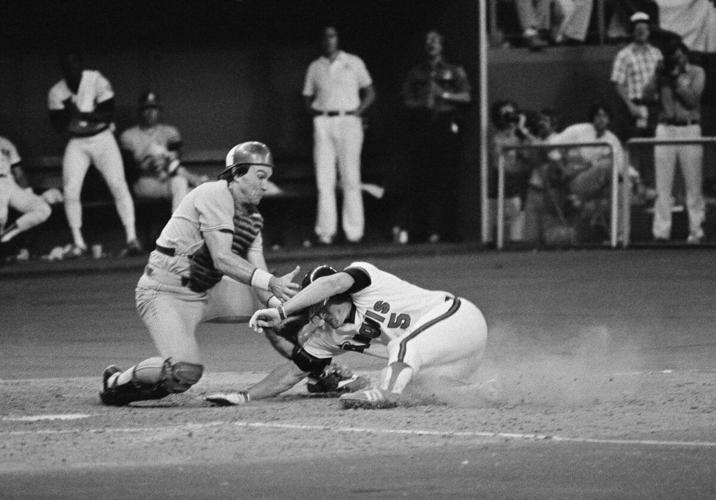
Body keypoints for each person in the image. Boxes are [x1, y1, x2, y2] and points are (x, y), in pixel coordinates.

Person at [99, 141, 301, 406]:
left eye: (268, 178)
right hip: (165, 293)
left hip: (208, 292)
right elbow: (222, 258)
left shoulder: (252, 217)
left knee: (287, 311)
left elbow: (259, 272)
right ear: (238, 173)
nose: (264, 185)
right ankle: (116, 382)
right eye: (260, 176)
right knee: (183, 373)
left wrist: (277, 306)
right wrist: (271, 282)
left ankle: (320, 370)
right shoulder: (214, 193)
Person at [248, 262, 489, 409]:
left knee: (401, 346)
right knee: (416, 385)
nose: (321, 317)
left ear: (337, 295)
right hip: (456, 361)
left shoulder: (365, 279)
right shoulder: (330, 336)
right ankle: (481, 391)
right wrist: (243, 397)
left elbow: (331, 283)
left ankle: (385, 395)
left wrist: (282, 311)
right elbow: (292, 373)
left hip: (460, 320)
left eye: (322, 308)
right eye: (316, 312)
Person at [48, 51, 141, 258]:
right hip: (77, 143)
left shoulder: (96, 80)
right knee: (71, 189)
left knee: (118, 183)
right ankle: (78, 242)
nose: (71, 69)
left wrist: (81, 115)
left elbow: (108, 115)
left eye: (74, 64)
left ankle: (132, 238)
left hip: (102, 138)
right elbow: (63, 128)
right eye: (66, 66)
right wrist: (88, 118)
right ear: (63, 69)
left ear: (80, 65)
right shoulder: (56, 92)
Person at [302, 26, 376, 245]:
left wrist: (359, 111)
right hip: (324, 121)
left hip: (349, 120)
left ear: (339, 38)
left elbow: (370, 90)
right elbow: (306, 96)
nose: (329, 40)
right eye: (325, 36)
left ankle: (354, 232)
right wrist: (315, 111)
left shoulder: (353, 62)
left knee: (350, 177)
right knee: (324, 179)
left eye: (332, 35)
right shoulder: (315, 66)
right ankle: (326, 233)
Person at [399, 30, 472, 244]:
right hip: (422, 127)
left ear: (442, 45)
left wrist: (444, 95)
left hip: (445, 125)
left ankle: (449, 231)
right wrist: (422, 103)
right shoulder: (416, 73)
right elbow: (406, 100)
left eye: (435, 41)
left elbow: (466, 96)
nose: (431, 44)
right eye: (427, 40)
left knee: (447, 181)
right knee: (421, 181)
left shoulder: (453, 71)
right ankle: (420, 232)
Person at [644, 40, 706, 243]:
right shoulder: (662, 74)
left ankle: (696, 230)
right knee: (662, 184)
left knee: (693, 182)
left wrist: (677, 79)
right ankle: (661, 232)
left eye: (679, 56)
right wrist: (657, 76)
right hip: (665, 128)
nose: (677, 61)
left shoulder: (696, 72)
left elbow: (692, 100)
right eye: (673, 58)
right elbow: (646, 96)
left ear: (685, 55)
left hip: (689, 127)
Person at [120, 92, 207, 213]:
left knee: (180, 182)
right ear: (140, 111)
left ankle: (177, 228)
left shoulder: (169, 131)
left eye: (154, 108)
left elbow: (176, 157)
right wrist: (146, 165)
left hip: (168, 176)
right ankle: (193, 179)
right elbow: (129, 170)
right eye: (146, 109)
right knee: (195, 192)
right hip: (145, 181)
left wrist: (162, 162)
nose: (150, 113)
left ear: (159, 111)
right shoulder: (128, 135)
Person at [610, 12, 663, 139]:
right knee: (635, 148)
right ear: (633, 31)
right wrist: (630, 106)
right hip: (633, 109)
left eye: (644, 28)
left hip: (654, 109)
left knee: (655, 148)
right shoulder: (624, 54)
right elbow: (617, 83)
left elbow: (662, 79)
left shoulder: (657, 53)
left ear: (649, 31)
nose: (641, 31)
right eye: (638, 29)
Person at [488, 99, 532, 243]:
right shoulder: (497, 138)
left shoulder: (521, 135)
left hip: (520, 191)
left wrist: (522, 132)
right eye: (506, 113)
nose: (510, 117)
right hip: (501, 192)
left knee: (517, 237)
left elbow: (531, 154)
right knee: (498, 236)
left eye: (512, 113)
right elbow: (500, 162)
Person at [0, 136, 53, 255]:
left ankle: (8, 233)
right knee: (1, 216)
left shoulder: (5, 143)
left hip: (9, 182)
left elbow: (18, 172)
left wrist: (29, 193)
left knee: (42, 209)